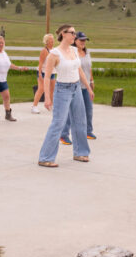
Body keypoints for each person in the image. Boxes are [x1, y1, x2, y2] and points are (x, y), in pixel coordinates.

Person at [37, 24, 95, 168]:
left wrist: (88, 87)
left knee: (80, 121)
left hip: (76, 88)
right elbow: (47, 76)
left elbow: (79, 69)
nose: (75, 36)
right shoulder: (54, 54)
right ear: (63, 34)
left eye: (75, 33)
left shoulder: (75, 50)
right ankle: (45, 157)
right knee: (58, 123)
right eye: (72, 33)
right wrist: (48, 98)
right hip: (62, 90)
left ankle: (80, 152)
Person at [61, 31, 96, 140]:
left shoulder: (87, 52)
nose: (83, 42)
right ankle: (64, 134)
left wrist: (91, 81)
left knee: (88, 109)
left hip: (86, 86)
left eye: (85, 40)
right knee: (71, 112)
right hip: (75, 86)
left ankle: (88, 131)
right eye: (81, 40)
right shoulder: (72, 52)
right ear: (75, 41)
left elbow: (89, 67)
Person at [30, 34, 56, 114]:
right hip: (43, 72)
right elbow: (40, 63)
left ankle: (51, 105)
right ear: (47, 41)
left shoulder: (54, 50)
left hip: (52, 72)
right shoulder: (44, 51)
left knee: (52, 89)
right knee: (41, 89)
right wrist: (40, 74)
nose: (52, 41)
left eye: (53, 39)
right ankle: (34, 106)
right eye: (50, 40)